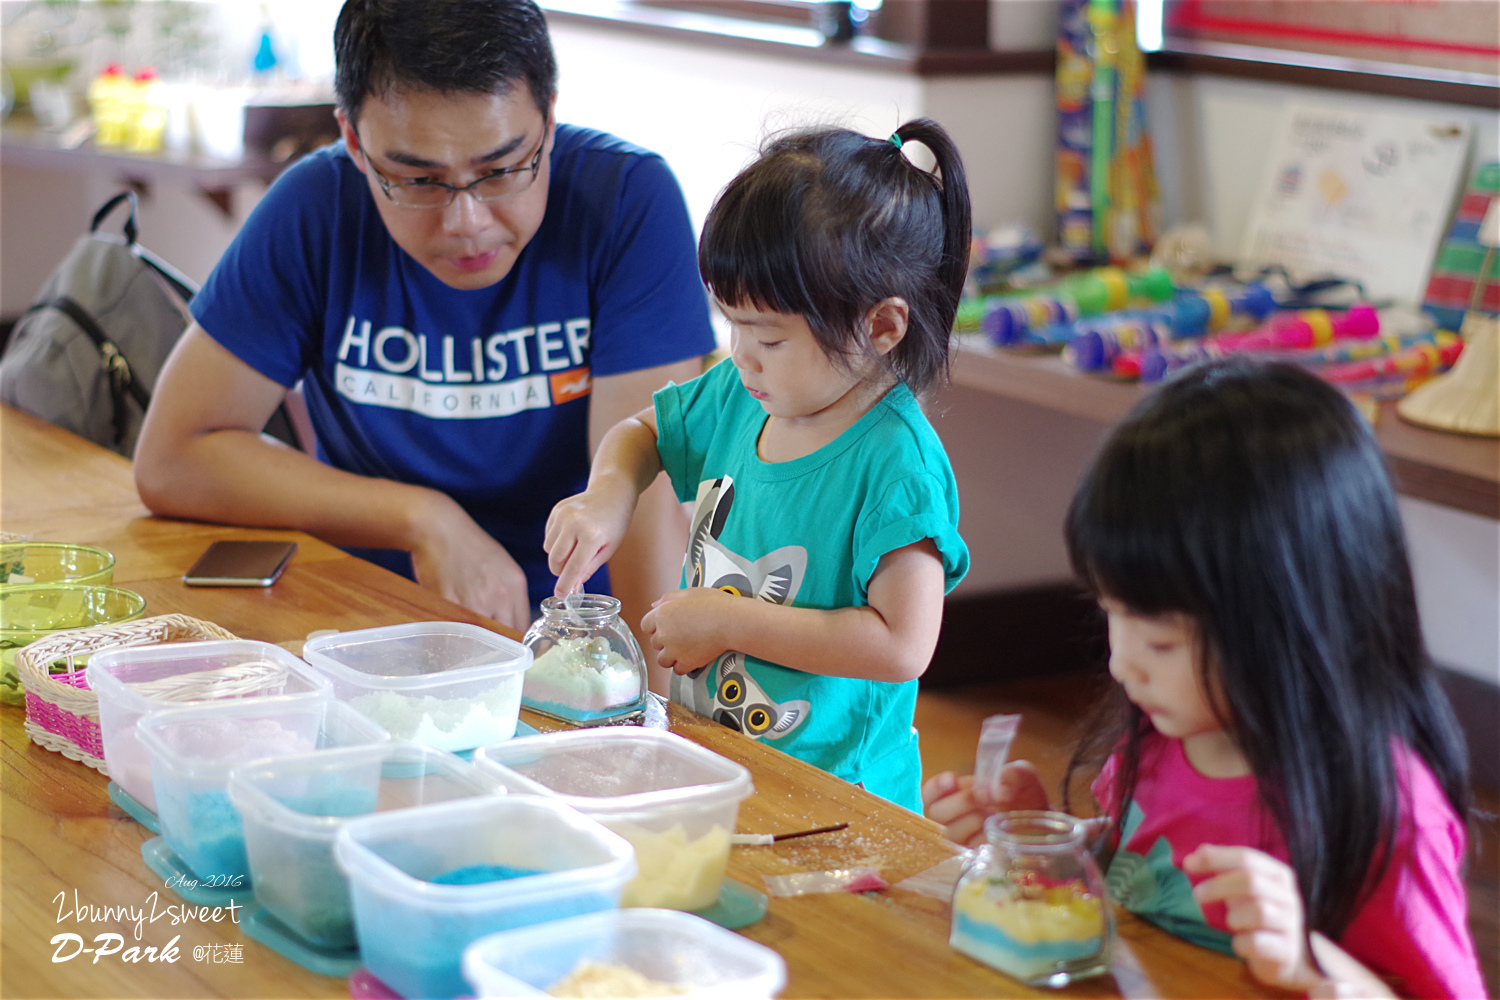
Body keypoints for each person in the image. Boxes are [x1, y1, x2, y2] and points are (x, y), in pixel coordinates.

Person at [133, 0, 714, 632]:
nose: (466, 222)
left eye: (501, 170)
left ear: (547, 121)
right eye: (417, 181)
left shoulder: (626, 201)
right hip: (362, 616)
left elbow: (637, 489)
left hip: (577, 626)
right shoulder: (315, 209)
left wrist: (654, 713)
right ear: (353, 141)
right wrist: (421, 517)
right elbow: (174, 457)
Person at [923, 358, 1482, 999]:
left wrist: (1316, 966)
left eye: (1161, 640)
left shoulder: (1389, 814)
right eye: (1111, 616)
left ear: (1290, 619)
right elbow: (1127, 918)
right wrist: (1051, 849)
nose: (1121, 664)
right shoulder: (1159, 744)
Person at [544, 119, 972, 811]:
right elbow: (639, 434)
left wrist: (728, 622)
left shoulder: (897, 464)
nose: (741, 353)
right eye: (732, 324)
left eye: (768, 335)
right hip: (722, 758)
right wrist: (607, 497)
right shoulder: (746, 394)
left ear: (882, 327)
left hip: (836, 797)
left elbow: (902, 645)